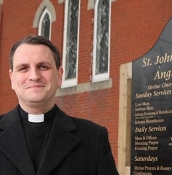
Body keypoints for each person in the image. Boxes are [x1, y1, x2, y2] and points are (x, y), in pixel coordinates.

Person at [0, 35, 119, 175]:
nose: (34, 76)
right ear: (12, 78)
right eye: (23, 68)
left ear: (59, 75)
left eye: (43, 66)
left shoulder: (93, 138)